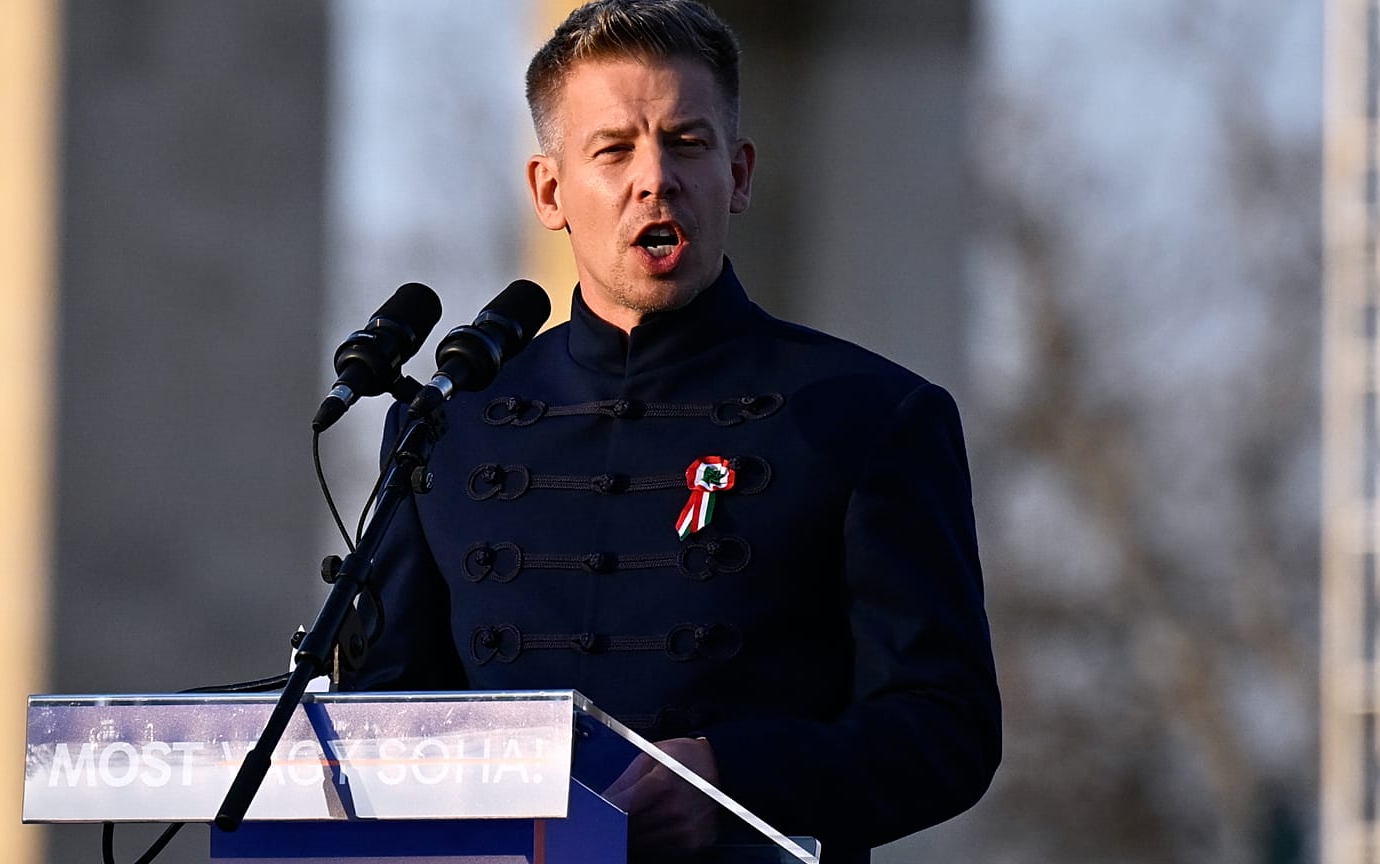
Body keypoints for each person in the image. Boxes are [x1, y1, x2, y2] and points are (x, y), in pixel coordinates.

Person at [340, 1, 1000, 860]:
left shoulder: (871, 415)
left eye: (688, 142)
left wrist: (728, 779)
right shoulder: (445, 423)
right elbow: (382, 721)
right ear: (549, 190)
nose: (655, 177)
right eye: (613, 149)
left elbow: (944, 729)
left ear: (740, 174)